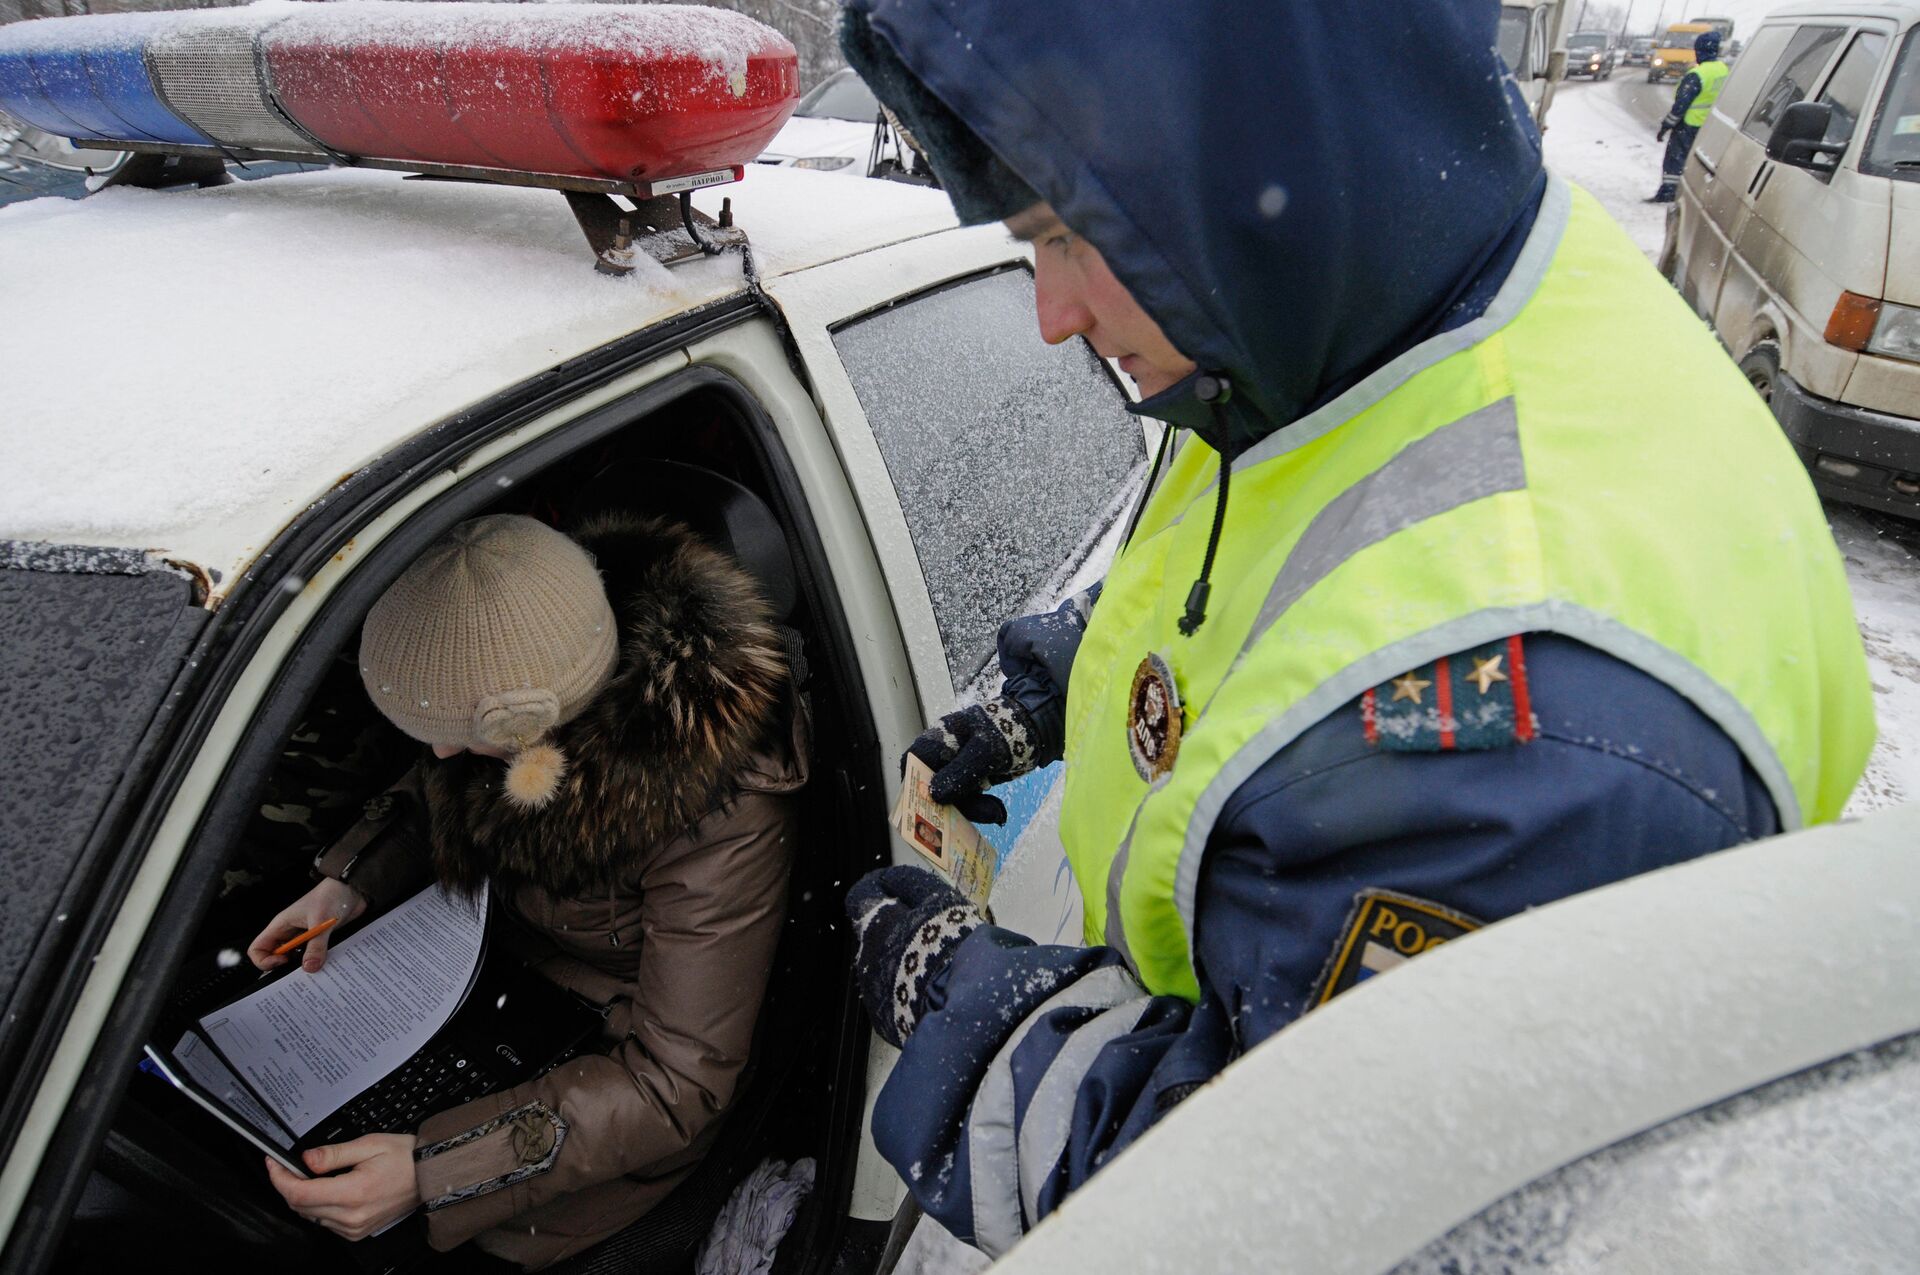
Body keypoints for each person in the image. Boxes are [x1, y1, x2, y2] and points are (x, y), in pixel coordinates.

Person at [835, 1, 1875, 1259]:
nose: (1050, 314)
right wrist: (1059, 687)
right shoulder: (1359, 308)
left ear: (1228, 184)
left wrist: (965, 1003)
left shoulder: (1515, 743)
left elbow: (1270, 1213)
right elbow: (1285, 542)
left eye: (1064, 237)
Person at [247, 511, 805, 1268]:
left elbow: (677, 1083)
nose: (440, 748)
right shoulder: (528, 655)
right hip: (487, 993)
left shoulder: (719, 812)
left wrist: (433, 1172)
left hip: (615, 1083)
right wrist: (348, 883)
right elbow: (441, 788)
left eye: (458, 729)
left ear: (535, 715)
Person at [1651, 31, 1730, 202]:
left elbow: (1680, 106)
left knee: (1675, 159)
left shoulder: (1698, 74)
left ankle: (1669, 193)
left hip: (1689, 124)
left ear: (1699, 50)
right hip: (1710, 124)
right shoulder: (1723, 70)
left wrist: (1666, 126)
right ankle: (1694, 195)